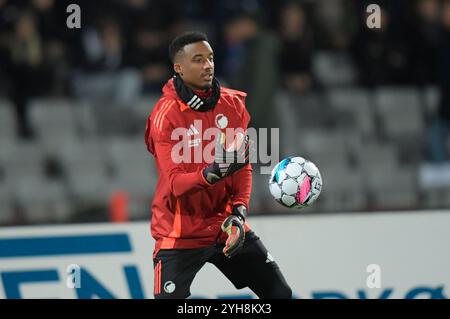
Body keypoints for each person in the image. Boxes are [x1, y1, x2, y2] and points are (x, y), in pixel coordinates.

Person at [144, 31, 292, 299]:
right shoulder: (165, 115)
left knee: (279, 294)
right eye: (198, 60)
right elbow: (175, 184)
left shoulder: (231, 104)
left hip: (225, 226)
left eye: (210, 58)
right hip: (179, 233)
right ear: (178, 67)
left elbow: (241, 167)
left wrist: (239, 212)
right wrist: (212, 173)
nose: (208, 65)